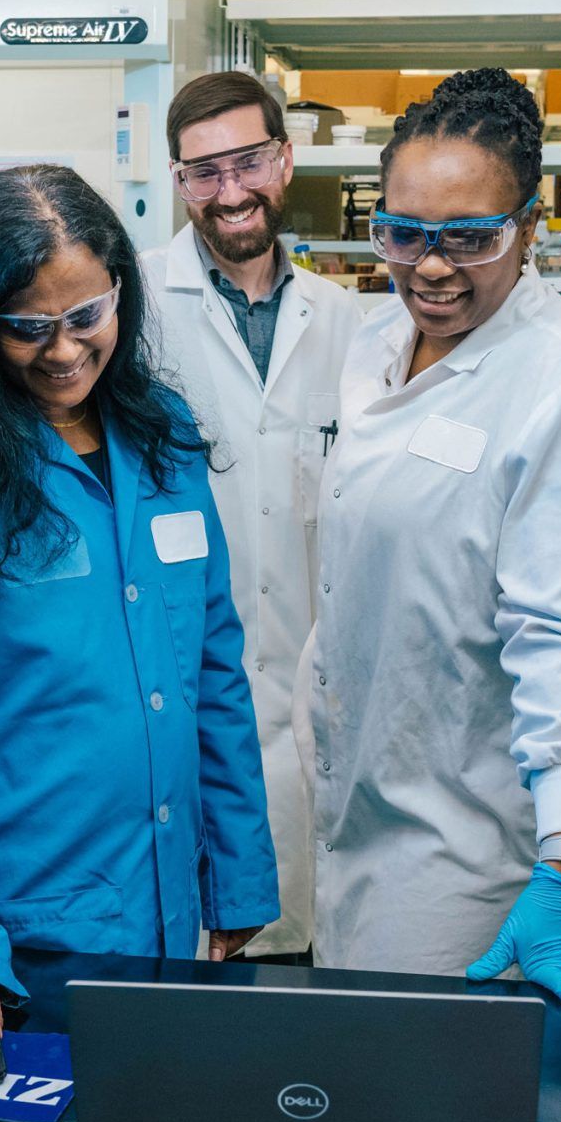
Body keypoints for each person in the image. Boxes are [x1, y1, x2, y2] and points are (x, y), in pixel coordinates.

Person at [0, 164, 277, 1049]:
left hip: (164, 912)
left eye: (88, 316)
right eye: (29, 328)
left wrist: (237, 875)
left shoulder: (162, 437)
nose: (67, 349)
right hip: (20, 938)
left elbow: (214, 671)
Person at [307, 68, 561, 1015]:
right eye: (404, 233)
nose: (431, 266)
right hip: (358, 811)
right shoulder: (380, 337)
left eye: (470, 236)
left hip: (467, 854)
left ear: (531, 227)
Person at [139, 69, 359, 958]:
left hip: (312, 701)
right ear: (177, 179)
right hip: (181, 693)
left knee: (308, 971)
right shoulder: (136, 308)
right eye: (203, 172)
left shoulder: (349, 323)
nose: (230, 192)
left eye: (249, 162)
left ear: (285, 158)